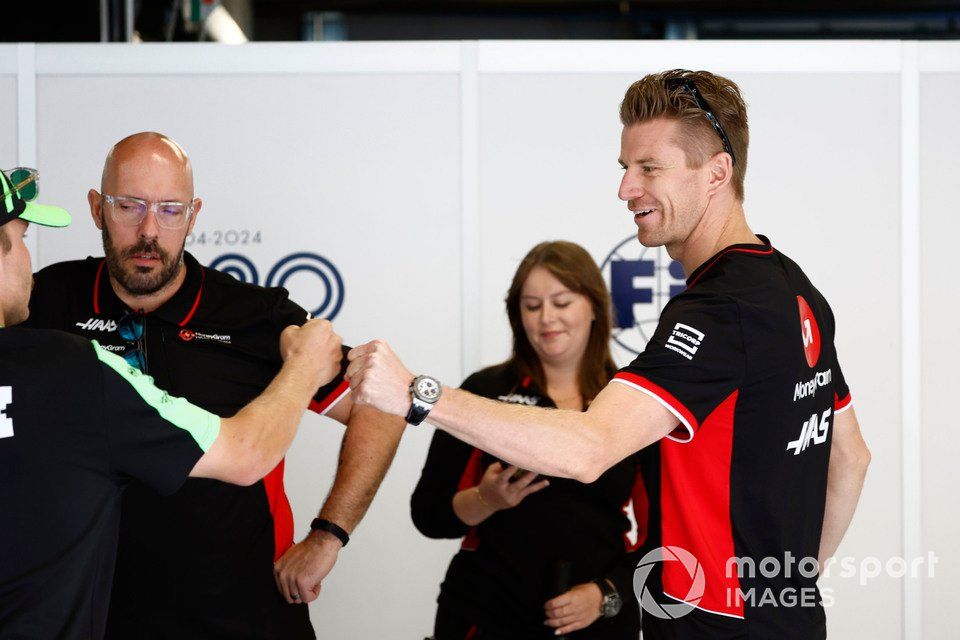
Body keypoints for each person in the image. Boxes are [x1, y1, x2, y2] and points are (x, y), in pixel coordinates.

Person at [347, 69, 872, 640]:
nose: (625, 190)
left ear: (717, 172)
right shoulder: (794, 288)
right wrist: (785, 591)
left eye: (649, 169)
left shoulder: (721, 309)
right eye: (625, 168)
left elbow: (589, 448)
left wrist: (416, 394)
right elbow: (851, 459)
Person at [22, 132, 406, 639]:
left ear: (194, 214)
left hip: (244, 617)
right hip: (96, 617)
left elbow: (380, 407)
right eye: (129, 206)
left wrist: (329, 535)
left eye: (170, 210)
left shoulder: (256, 316)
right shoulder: (46, 300)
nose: (148, 231)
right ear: (97, 208)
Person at [411, 241, 646, 639]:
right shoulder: (483, 391)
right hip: (485, 615)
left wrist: (606, 595)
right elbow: (429, 515)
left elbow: (664, 538)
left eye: (561, 302)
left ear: (594, 306)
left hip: (598, 623)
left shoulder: (633, 402)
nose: (546, 318)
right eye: (532, 306)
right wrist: (486, 499)